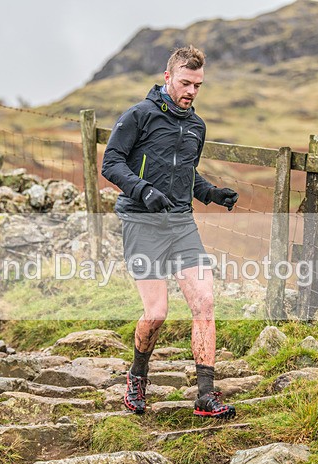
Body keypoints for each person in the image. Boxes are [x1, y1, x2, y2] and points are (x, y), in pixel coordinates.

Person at [102, 45, 239, 418]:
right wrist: (143, 189)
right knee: (157, 313)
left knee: (205, 303)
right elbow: (110, 163)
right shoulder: (139, 116)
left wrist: (210, 193)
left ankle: (205, 396)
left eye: (198, 85)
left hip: (180, 224)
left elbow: (185, 173)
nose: (191, 91)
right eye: (185, 83)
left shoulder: (196, 126)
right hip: (141, 223)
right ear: (167, 77)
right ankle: (137, 376)